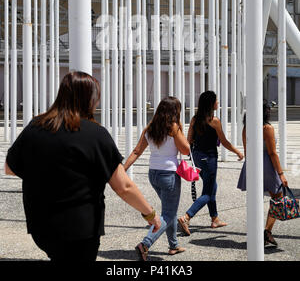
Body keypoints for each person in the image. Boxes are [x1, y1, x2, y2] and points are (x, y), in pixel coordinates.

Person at [5, 71, 160, 262]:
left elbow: (10, 168)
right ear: (89, 99)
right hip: (80, 229)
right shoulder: (95, 134)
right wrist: (149, 213)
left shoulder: (35, 126)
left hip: (41, 226)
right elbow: (123, 187)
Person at [124, 97, 190, 261]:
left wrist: (123, 168)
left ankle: (173, 245)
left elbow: (137, 151)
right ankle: (145, 244)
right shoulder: (173, 128)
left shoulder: (150, 128)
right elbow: (186, 150)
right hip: (169, 175)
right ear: (175, 111)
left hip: (153, 174)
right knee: (168, 213)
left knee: (170, 210)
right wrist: (180, 131)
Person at [178, 91, 244, 236]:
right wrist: (237, 152)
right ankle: (186, 217)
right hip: (209, 158)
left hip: (197, 158)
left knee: (212, 185)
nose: (218, 103)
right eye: (216, 100)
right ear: (210, 103)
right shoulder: (214, 121)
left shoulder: (195, 119)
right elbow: (224, 141)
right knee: (208, 192)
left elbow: (188, 140)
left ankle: (215, 219)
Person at [237, 101, 288, 247]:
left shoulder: (247, 128)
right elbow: (272, 153)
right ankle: (266, 231)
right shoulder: (267, 128)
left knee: (255, 199)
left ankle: (260, 232)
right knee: (277, 197)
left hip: (252, 164)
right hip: (267, 165)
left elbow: (246, 150)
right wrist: (281, 174)